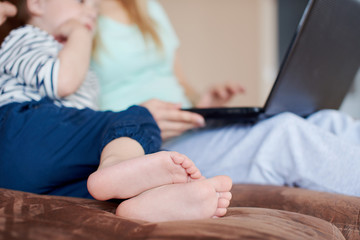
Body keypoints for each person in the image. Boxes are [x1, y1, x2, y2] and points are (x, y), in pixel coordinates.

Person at [92, 0, 360, 197]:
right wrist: (141, 118)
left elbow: (179, 82)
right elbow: (75, 113)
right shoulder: (79, 16)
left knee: (330, 120)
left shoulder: (146, 8)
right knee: (284, 134)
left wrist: (202, 102)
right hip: (146, 142)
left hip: (191, 127)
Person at [0, 0, 233, 223]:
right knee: (138, 117)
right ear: (37, 4)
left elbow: (80, 124)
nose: (91, 11)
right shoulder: (25, 37)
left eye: (94, 6)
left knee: (108, 185)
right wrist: (80, 32)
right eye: (81, 1)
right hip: (17, 133)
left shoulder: (81, 66)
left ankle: (145, 202)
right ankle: (116, 164)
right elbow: (63, 82)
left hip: (37, 178)